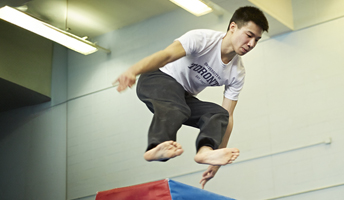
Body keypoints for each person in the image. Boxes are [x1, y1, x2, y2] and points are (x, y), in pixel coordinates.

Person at [113, 6, 269, 189]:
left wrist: (216, 159)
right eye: (249, 35)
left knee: (217, 113)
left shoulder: (237, 72)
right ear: (233, 27)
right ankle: (155, 147)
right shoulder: (202, 39)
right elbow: (166, 55)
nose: (251, 44)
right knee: (178, 108)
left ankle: (204, 151)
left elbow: (227, 117)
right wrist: (134, 70)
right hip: (157, 78)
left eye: (257, 40)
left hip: (182, 96)